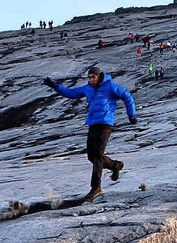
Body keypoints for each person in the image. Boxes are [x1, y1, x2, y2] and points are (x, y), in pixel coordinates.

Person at [44, 66, 137, 202]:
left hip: (105, 124)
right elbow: (71, 93)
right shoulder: (87, 88)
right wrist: (56, 86)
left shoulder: (110, 86)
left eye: (93, 77)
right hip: (92, 124)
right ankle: (115, 165)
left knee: (98, 155)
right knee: (91, 156)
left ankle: (96, 188)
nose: (91, 80)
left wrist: (131, 114)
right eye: (89, 77)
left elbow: (127, 96)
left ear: (99, 77)